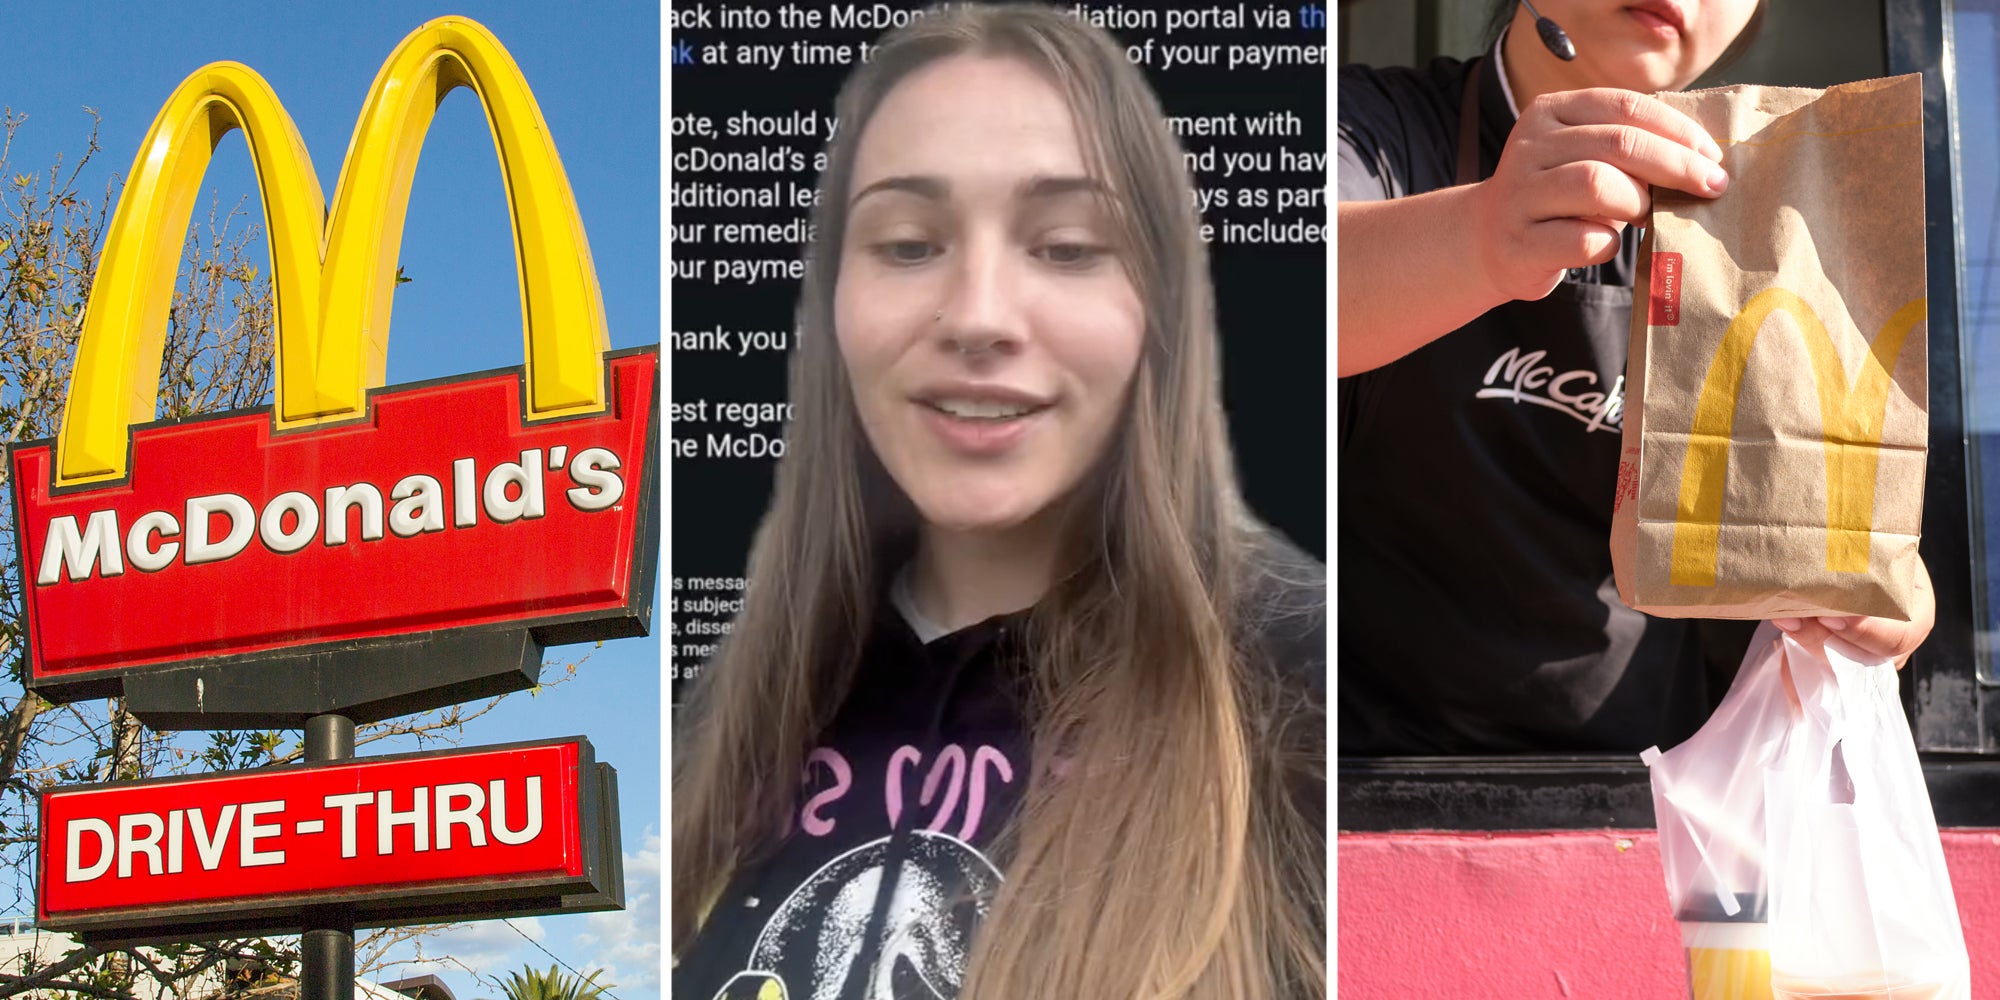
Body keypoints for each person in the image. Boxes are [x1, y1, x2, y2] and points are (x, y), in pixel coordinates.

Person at [670, 4, 1326, 998]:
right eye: (903, 243)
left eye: (1065, 246)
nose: (977, 315)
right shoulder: (719, 712)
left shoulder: (1300, 676)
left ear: (1158, 309)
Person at [1337, 0, 1937, 755]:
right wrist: (1483, 235)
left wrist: (1860, 602)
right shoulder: (1368, 129)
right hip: (1369, 790)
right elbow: (1249, 296)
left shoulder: (1785, 216)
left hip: (1656, 804)